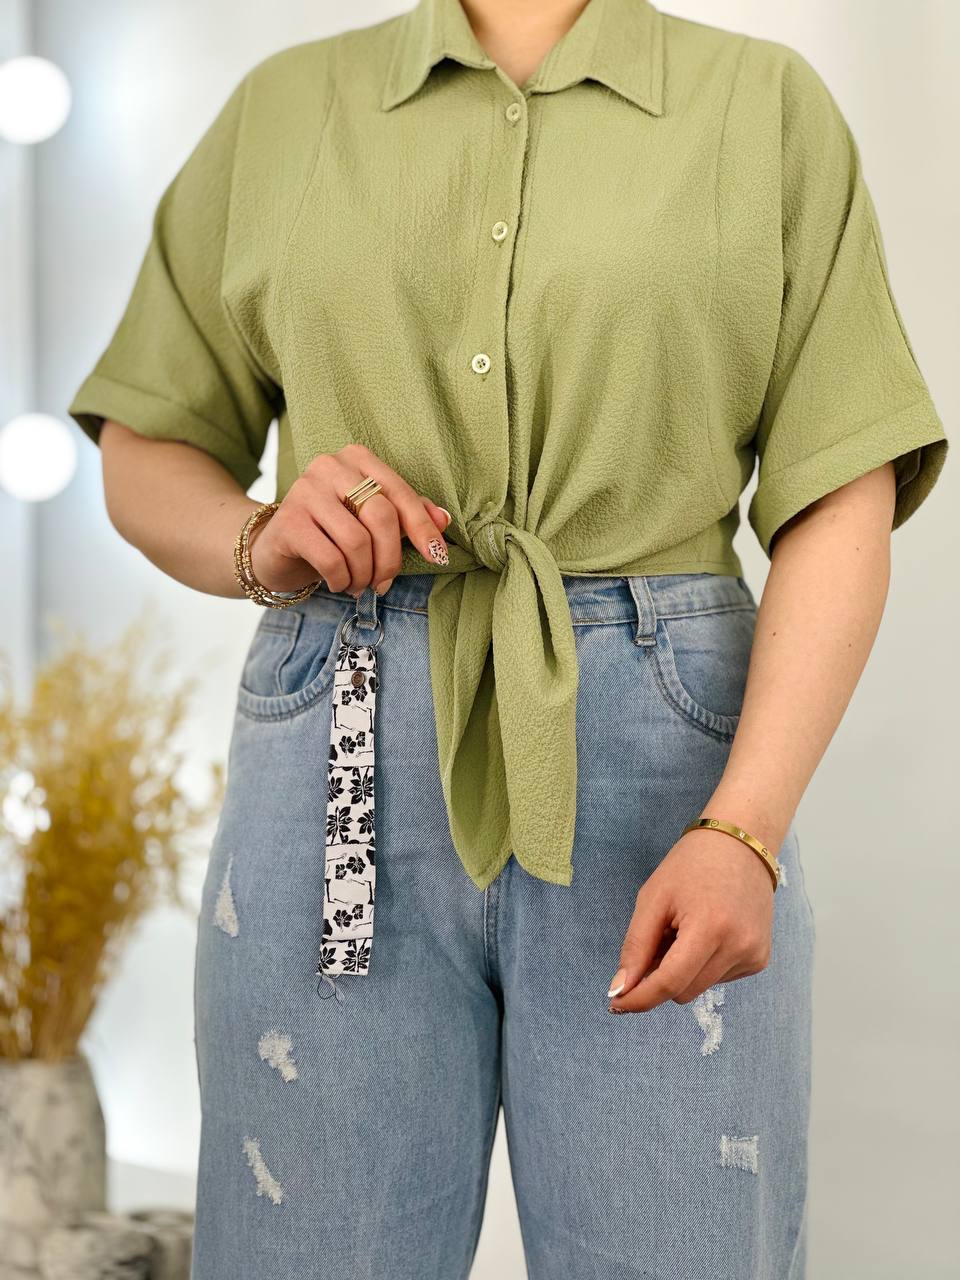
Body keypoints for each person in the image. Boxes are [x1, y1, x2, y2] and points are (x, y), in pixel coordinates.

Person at [69, 0, 948, 1275]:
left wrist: (745, 825)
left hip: (669, 769)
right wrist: (260, 534)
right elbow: (149, 437)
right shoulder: (285, 110)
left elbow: (839, 494)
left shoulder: (762, 107)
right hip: (345, 723)